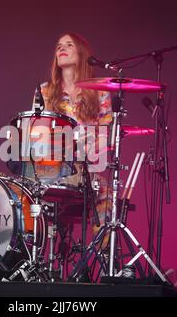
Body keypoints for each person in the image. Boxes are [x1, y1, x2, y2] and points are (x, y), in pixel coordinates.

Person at [31, 32, 113, 238]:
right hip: (52, 167)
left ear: (82, 54)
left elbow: (104, 137)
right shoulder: (44, 91)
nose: (61, 49)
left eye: (69, 45)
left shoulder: (100, 93)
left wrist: (89, 148)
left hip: (85, 169)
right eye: (59, 46)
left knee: (106, 195)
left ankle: (102, 259)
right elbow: (36, 134)